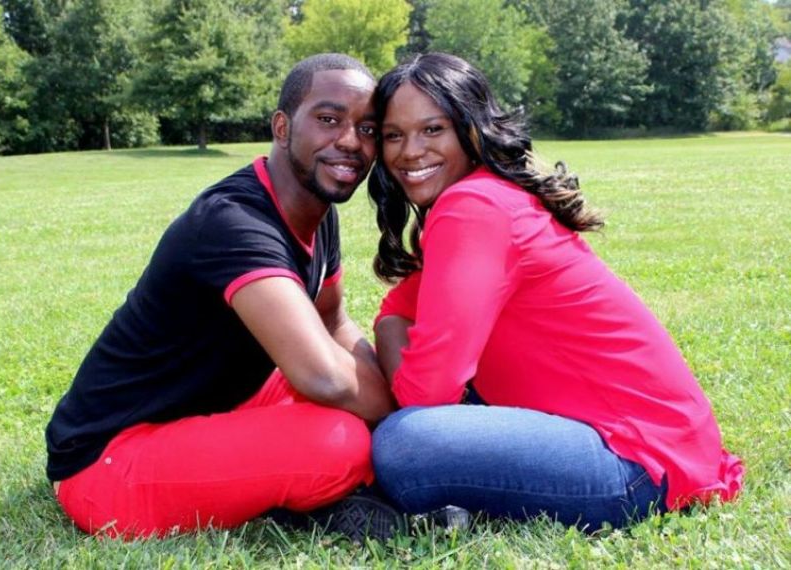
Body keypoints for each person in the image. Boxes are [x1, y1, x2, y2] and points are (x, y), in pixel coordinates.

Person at [368, 53, 744, 532]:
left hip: (634, 459)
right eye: (393, 135)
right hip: (652, 444)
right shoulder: (484, 197)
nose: (409, 152)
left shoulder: (474, 207)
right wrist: (391, 329)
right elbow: (399, 309)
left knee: (404, 443)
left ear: (470, 129)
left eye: (432, 130)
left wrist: (392, 382)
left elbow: (427, 391)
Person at [44, 53, 402, 541]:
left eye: (366, 129)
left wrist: (393, 396)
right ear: (282, 126)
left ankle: (300, 489)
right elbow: (322, 376)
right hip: (108, 462)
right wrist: (401, 414)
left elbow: (335, 322)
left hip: (213, 404)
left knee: (341, 401)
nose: (349, 142)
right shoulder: (233, 222)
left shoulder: (317, 211)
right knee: (341, 443)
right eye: (328, 119)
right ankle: (311, 498)